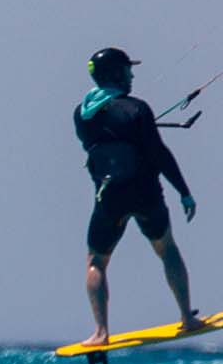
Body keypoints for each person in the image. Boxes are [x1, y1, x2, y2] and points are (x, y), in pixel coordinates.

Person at [73, 47, 202, 346]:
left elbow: (99, 140)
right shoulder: (137, 109)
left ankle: (100, 333)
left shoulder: (81, 114)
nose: (131, 75)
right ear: (116, 73)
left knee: (96, 262)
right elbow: (158, 154)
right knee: (166, 249)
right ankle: (187, 318)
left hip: (109, 197)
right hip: (145, 194)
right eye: (127, 70)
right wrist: (184, 192)